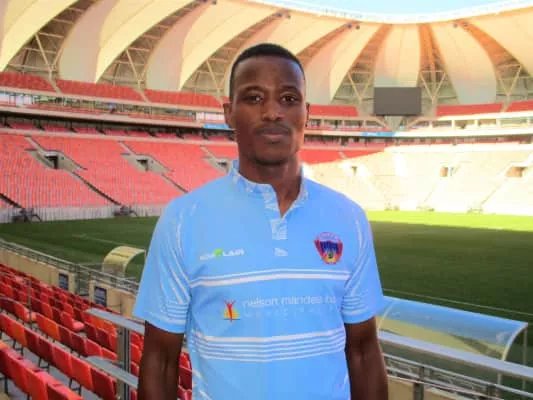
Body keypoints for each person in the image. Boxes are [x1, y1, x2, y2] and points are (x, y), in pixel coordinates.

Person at [133, 43, 388, 400]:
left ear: (306, 113)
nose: (272, 112)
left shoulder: (349, 218)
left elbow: (363, 351)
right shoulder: (182, 220)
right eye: (254, 98)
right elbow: (160, 360)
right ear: (229, 113)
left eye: (288, 98)